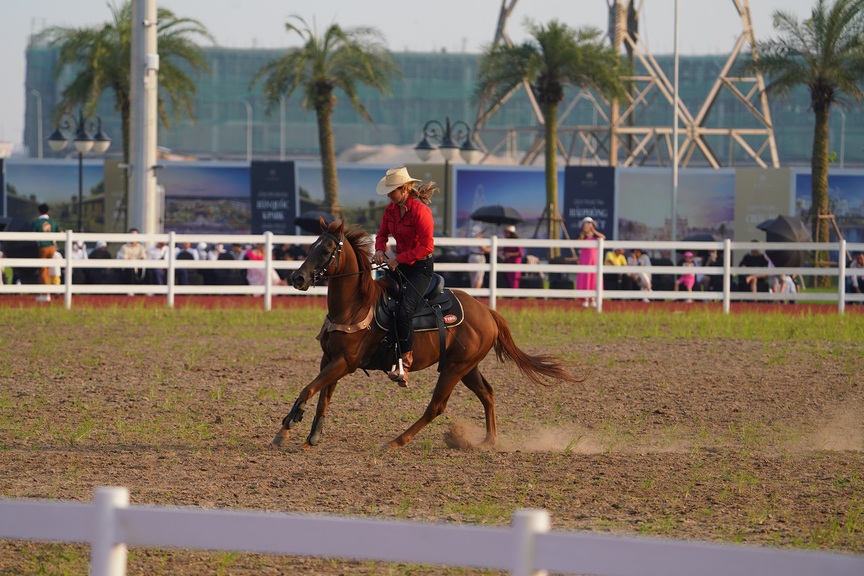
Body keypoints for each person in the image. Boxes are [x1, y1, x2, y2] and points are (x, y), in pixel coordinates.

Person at [372, 166, 437, 387]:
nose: (389, 195)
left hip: (420, 269)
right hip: (400, 264)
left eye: (392, 190)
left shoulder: (421, 212)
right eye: (389, 191)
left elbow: (427, 247)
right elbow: (381, 234)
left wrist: (399, 259)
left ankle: (406, 359)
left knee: (404, 309)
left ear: (404, 189)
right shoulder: (390, 210)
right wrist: (380, 249)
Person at [30, 203, 61, 302]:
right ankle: (46, 292)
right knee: (47, 269)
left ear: (39, 211)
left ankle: (46, 294)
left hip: (42, 247)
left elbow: (31, 235)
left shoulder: (36, 223)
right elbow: (60, 233)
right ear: (48, 211)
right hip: (52, 247)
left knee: (43, 270)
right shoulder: (53, 222)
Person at [575, 216, 605, 307]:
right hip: (585, 260)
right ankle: (586, 299)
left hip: (594, 261)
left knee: (594, 279)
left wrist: (593, 231)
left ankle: (593, 299)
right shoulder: (582, 236)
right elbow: (578, 242)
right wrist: (583, 233)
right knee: (585, 278)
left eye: (589, 224)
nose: (587, 226)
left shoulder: (596, 237)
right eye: (586, 224)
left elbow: (603, 237)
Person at [499, 224, 523, 289]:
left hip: (514, 263)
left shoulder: (516, 241)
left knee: (514, 280)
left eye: (506, 232)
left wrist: (510, 254)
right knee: (508, 279)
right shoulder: (507, 242)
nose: (504, 234)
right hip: (508, 263)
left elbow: (520, 253)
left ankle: (514, 294)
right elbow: (504, 250)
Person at [466, 224, 490, 290]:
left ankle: (474, 292)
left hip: (471, 257)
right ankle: (476, 293)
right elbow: (484, 249)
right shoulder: (478, 239)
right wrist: (493, 249)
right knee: (479, 277)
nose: (482, 234)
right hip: (479, 257)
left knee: (473, 277)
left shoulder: (470, 238)